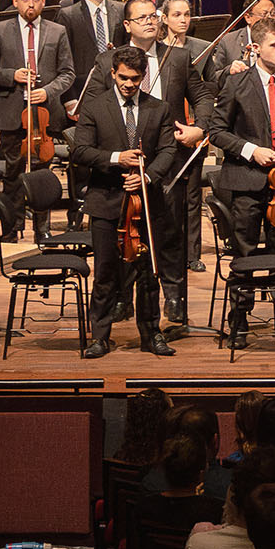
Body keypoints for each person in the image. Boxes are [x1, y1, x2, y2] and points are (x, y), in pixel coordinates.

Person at [205, 24, 275, 351]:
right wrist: (251, 150)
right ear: (256, 48)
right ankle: (239, 322)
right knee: (244, 252)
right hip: (246, 181)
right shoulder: (236, 84)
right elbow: (217, 131)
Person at [72, 47, 174, 359]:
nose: (128, 84)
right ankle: (100, 336)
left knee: (147, 273)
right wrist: (118, 158)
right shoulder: (94, 106)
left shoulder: (160, 108)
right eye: (123, 78)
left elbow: (168, 150)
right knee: (105, 272)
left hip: (145, 202)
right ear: (113, 73)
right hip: (105, 201)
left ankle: (151, 334)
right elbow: (80, 151)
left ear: (143, 77)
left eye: (135, 79)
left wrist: (146, 177)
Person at [0, 0, 72, 246]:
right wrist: (12, 76)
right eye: (25, 0)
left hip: (43, 115)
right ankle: (11, 226)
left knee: (43, 171)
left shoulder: (58, 31)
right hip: (11, 113)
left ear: (43, 1)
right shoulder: (0, 30)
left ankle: (42, 228)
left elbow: (67, 73)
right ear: (15, 2)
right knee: (12, 172)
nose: (30, 5)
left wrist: (48, 91)